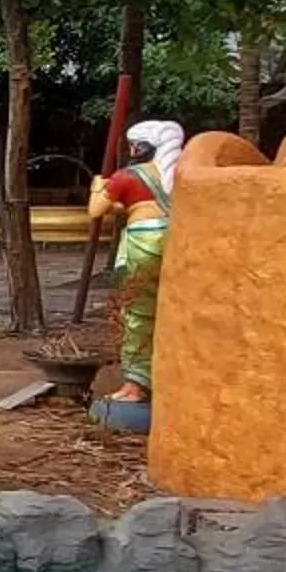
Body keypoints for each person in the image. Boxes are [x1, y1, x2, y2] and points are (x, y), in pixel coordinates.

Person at [86, 119, 184, 403]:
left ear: (142, 147)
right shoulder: (177, 176)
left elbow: (95, 211)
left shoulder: (126, 176)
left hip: (142, 242)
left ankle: (136, 384)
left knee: (138, 312)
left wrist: (97, 187)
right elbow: (136, 204)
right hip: (172, 238)